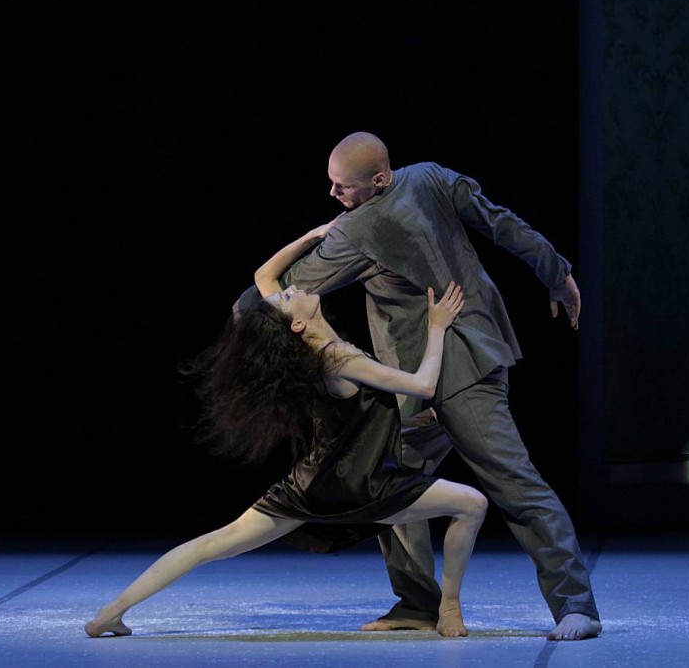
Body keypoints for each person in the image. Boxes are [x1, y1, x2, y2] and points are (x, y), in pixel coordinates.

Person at [232, 131, 602, 641]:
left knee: (513, 483)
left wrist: (247, 307)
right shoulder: (431, 175)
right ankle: (417, 602)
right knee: (389, 479)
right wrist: (556, 273)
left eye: (344, 187)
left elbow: (284, 289)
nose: (335, 196)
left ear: (379, 180)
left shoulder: (356, 231)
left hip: (457, 373)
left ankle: (575, 607)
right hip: (441, 370)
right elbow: (502, 223)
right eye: (332, 185)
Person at [85, 221, 487, 639]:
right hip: (366, 486)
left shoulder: (309, 345)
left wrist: (316, 235)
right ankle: (450, 607)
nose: (292, 289)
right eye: (288, 298)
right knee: (473, 504)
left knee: (212, 545)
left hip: (314, 484)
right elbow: (423, 384)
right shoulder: (338, 359)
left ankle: (109, 615)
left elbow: (263, 277)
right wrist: (436, 328)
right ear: (296, 325)